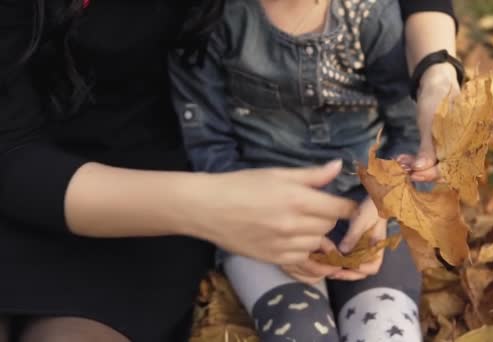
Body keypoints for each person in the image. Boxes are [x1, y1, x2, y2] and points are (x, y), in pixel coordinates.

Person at [0, 0, 457, 341]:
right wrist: (211, 202)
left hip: (144, 185)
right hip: (132, 189)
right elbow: (12, 154)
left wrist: (436, 71)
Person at [170, 0, 460, 341]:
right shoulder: (212, 19)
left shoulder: (368, 15)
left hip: (372, 211)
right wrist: (261, 221)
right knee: (300, 331)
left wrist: (386, 200)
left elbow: (409, 132)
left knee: (385, 328)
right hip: (258, 218)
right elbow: (208, 143)